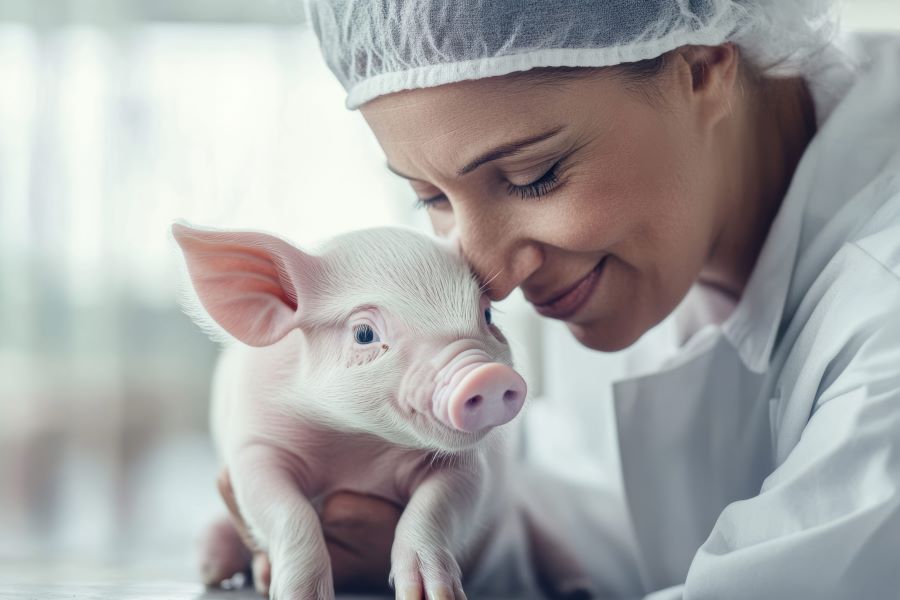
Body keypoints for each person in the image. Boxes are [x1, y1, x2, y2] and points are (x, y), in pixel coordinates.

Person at [207, 1, 900, 598]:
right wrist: (428, 536)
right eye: (431, 198)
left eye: (534, 177)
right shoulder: (602, 261)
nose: (488, 274)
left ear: (703, 68)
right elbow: (593, 529)